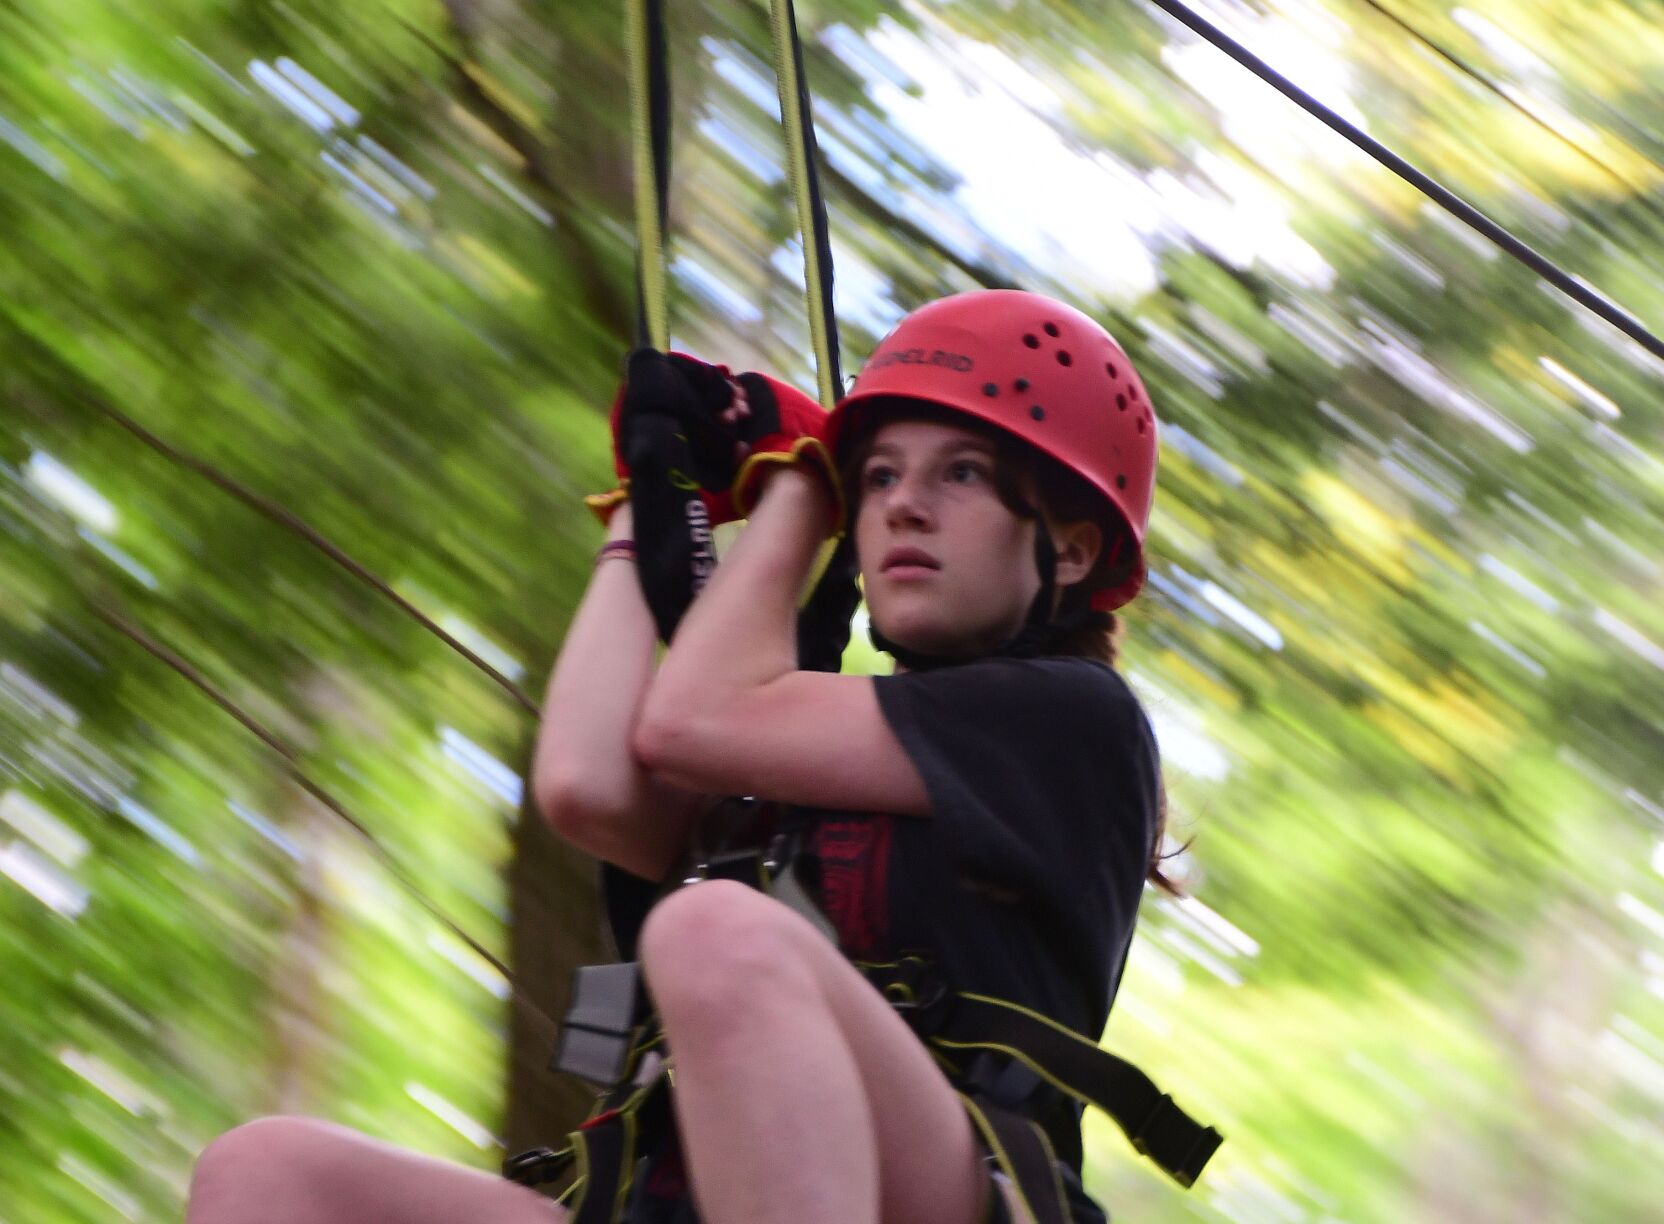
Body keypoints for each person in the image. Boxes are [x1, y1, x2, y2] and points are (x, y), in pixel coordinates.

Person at [183, 290, 1180, 1224]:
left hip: (950, 1185)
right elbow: (588, 786)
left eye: (959, 473)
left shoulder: (1073, 723)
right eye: (876, 476)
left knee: (714, 929)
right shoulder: (805, 761)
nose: (901, 506)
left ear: (1075, 547)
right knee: (266, 1174)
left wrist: (796, 489)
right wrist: (649, 502)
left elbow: (689, 723)